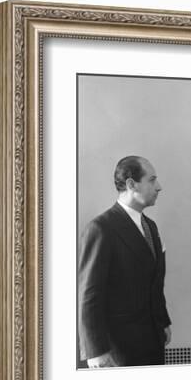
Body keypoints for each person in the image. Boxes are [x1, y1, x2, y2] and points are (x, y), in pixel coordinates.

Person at [78, 156, 172, 368]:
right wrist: (96, 351)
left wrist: (163, 321)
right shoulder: (101, 228)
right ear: (131, 184)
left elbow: (154, 283)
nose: (159, 187)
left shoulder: (151, 226)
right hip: (119, 349)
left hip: (153, 341)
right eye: (152, 180)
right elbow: (89, 294)